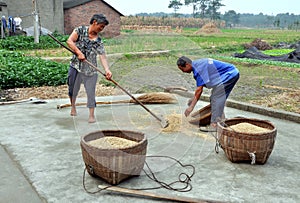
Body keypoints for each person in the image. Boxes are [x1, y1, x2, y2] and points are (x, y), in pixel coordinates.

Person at [66, 14, 112, 123]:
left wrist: (107, 70)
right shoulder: (80, 31)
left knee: (90, 92)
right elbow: (69, 41)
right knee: (72, 89)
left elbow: (102, 56)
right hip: (76, 66)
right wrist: (78, 52)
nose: (101, 29)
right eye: (101, 26)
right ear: (95, 22)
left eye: (103, 27)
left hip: (90, 70)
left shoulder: (98, 41)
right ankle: (73, 106)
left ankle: (91, 115)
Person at [177, 56, 240, 132]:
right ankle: (221, 120)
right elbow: (202, 85)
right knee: (217, 98)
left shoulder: (198, 69)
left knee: (216, 98)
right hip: (231, 74)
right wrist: (193, 99)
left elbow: (199, 90)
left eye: (182, 69)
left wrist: (191, 107)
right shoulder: (197, 65)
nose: (183, 71)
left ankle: (214, 125)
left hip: (229, 75)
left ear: (187, 64)